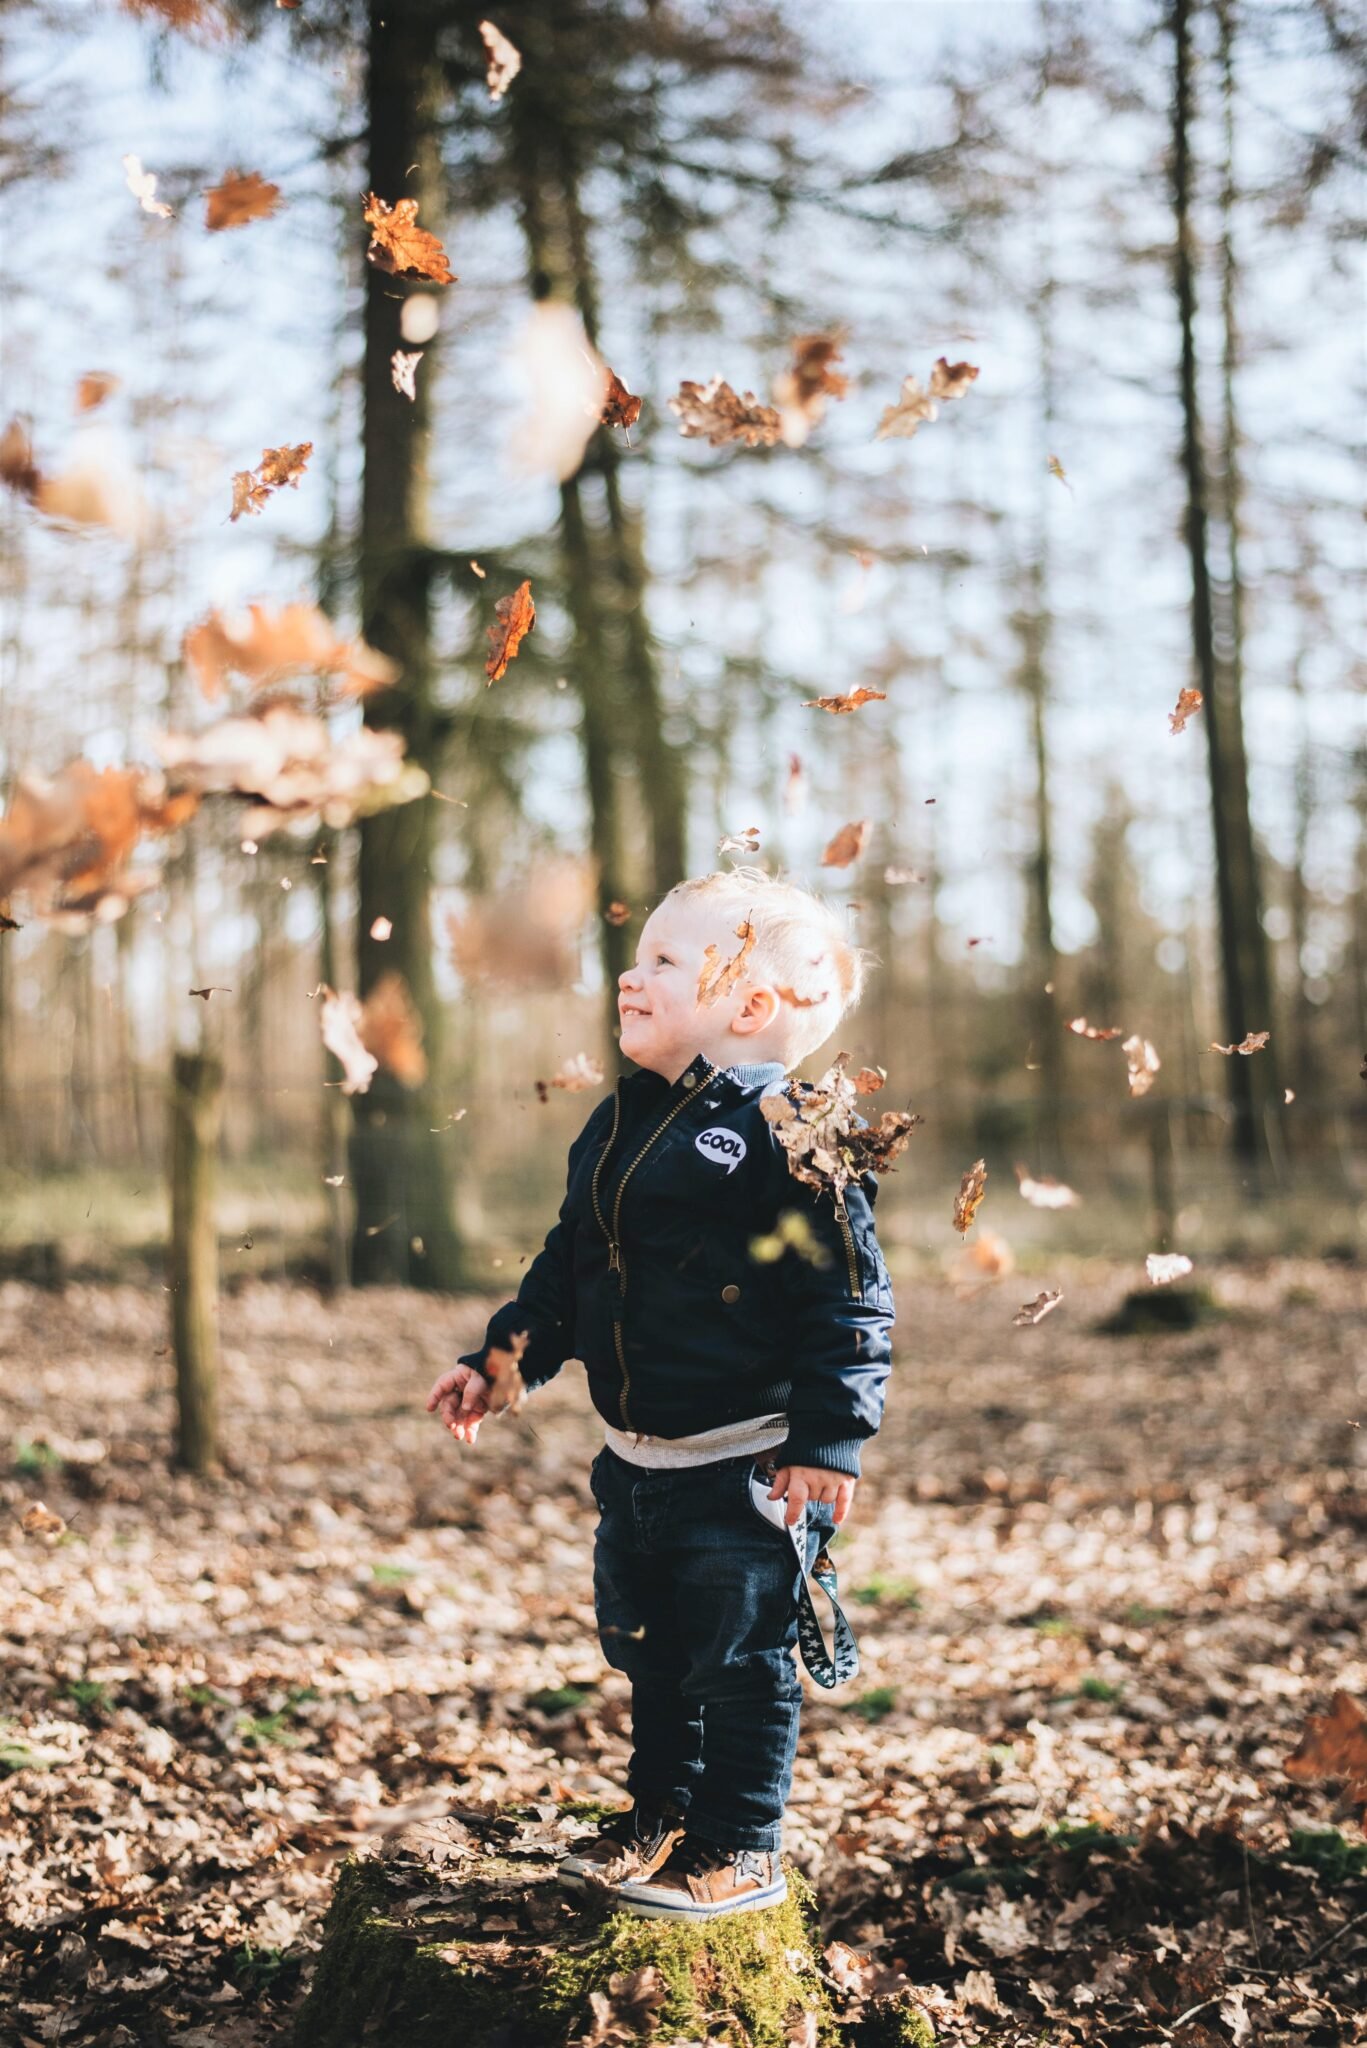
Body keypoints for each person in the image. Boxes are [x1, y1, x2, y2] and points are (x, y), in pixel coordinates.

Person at [425, 867, 896, 1921]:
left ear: (747, 1006)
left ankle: (739, 1843)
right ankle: (660, 1815)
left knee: (737, 1658)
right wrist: (504, 1357)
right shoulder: (621, 1120)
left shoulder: (793, 1128)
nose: (630, 978)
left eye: (665, 962)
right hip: (634, 1464)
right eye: (637, 958)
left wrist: (828, 1439)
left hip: (745, 1465)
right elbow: (569, 1265)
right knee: (651, 1651)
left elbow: (850, 1297)